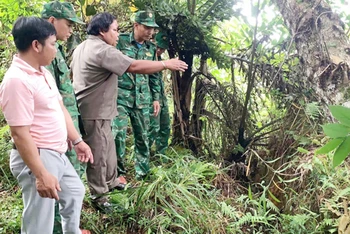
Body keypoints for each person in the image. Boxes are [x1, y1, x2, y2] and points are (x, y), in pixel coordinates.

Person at [71, 12, 187, 210]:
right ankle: (100, 197)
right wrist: (165, 64)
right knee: (98, 156)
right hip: (95, 111)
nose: (118, 34)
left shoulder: (82, 46)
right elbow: (132, 66)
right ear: (102, 31)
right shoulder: (103, 50)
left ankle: (112, 182)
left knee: (108, 150)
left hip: (100, 110)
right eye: (115, 30)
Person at [0, 16, 93, 234]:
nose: (55, 49)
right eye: (52, 44)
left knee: (74, 192)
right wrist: (41, 174)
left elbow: (60, 110)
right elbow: (20, 133)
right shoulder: (16, 81)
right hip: (39, 155)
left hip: (57, 152)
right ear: (36, 45)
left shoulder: (43, 73)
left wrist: (77, 140)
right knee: (39, 221)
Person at [41, 2, 89, 233]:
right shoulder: (42, 51)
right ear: (52, 21)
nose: (71, 30)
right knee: (57, 183)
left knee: (72, 185)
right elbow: (48, 101)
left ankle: (69, 228)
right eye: (68, 24)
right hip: (54, 132)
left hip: (66, 126)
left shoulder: (56, 48)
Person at [111, 10, 160, 182]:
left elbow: (155, 75)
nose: (150, 32)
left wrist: (156, 98)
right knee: (118, 136)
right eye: (146, 27)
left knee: (143, 136)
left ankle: (143, 173)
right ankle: (118, 174)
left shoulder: (151, 48)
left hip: (142, 99)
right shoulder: (120, 41)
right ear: (136, 25)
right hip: (120, 97)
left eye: (152, 29)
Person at [148, 32, 171, 155]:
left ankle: (161, 154)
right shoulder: (147, 59)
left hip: (161, 97)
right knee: (153, 127)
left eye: (162, 49)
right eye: (157, 47)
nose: (159, 50)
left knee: (165, 126)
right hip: (150, 98)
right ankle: (144, 154)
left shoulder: (160, 60)